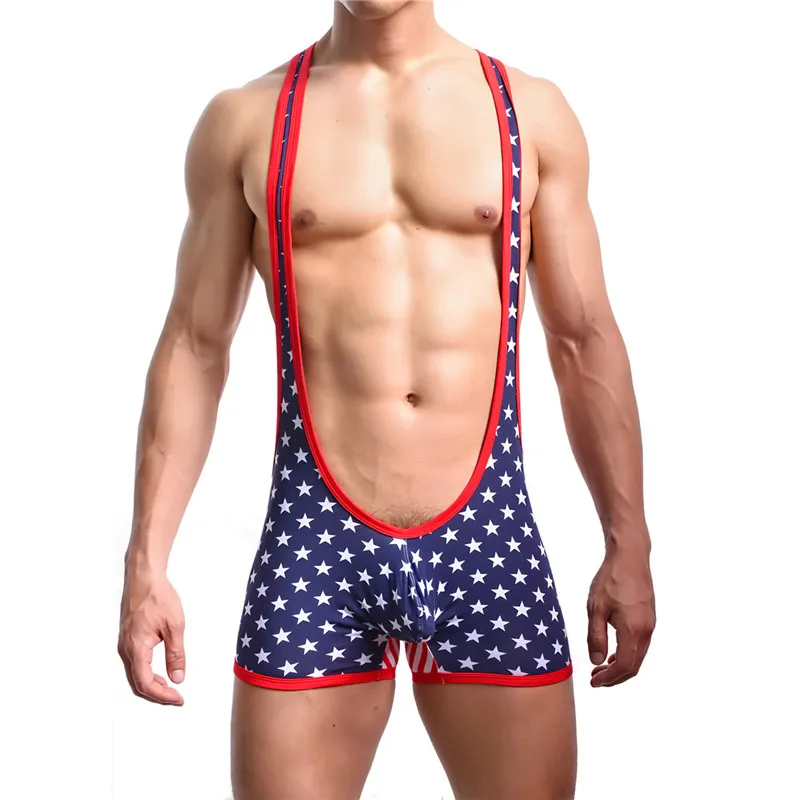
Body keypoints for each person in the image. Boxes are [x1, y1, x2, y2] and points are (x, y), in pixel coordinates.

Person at [117, 1, 656, 797]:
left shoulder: (529, 113)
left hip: (488, 535)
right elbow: (196, 346)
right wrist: (146, 563)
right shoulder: (247, 122)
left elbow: (582, 339)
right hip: (316, 540)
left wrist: (629, 543)